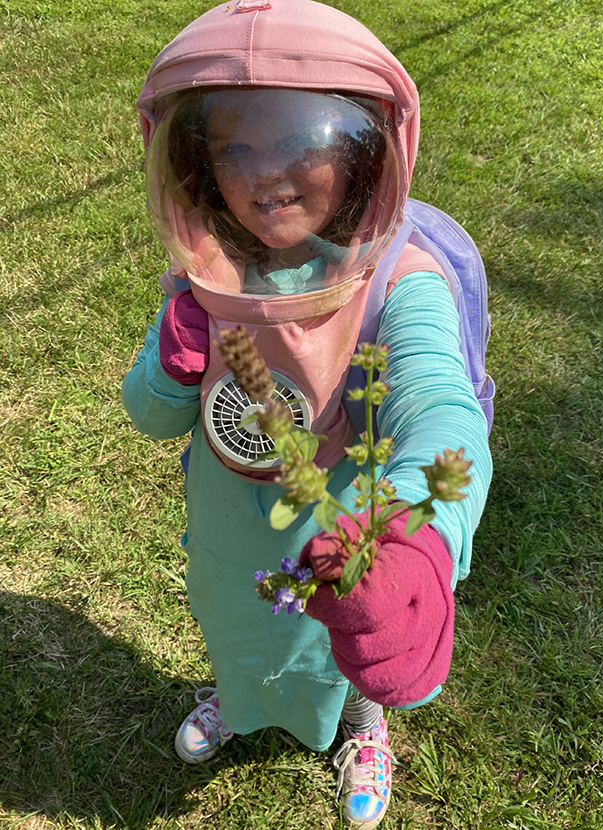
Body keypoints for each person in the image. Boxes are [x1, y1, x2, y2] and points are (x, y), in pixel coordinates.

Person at [122, 1, 493, 827]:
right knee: (235, 619)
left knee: (338, 646)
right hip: (227, 540)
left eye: (300, 142)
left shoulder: (402, 281)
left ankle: (362, 726)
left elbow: (440, 404)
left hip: (340, 538)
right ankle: (239, 696)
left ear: (366, 153)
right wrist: (170, 365)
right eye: (233, 149)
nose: (264, 174)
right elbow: (150, 418)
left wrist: (421, 535)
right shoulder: (210, 272)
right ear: (195, 165)